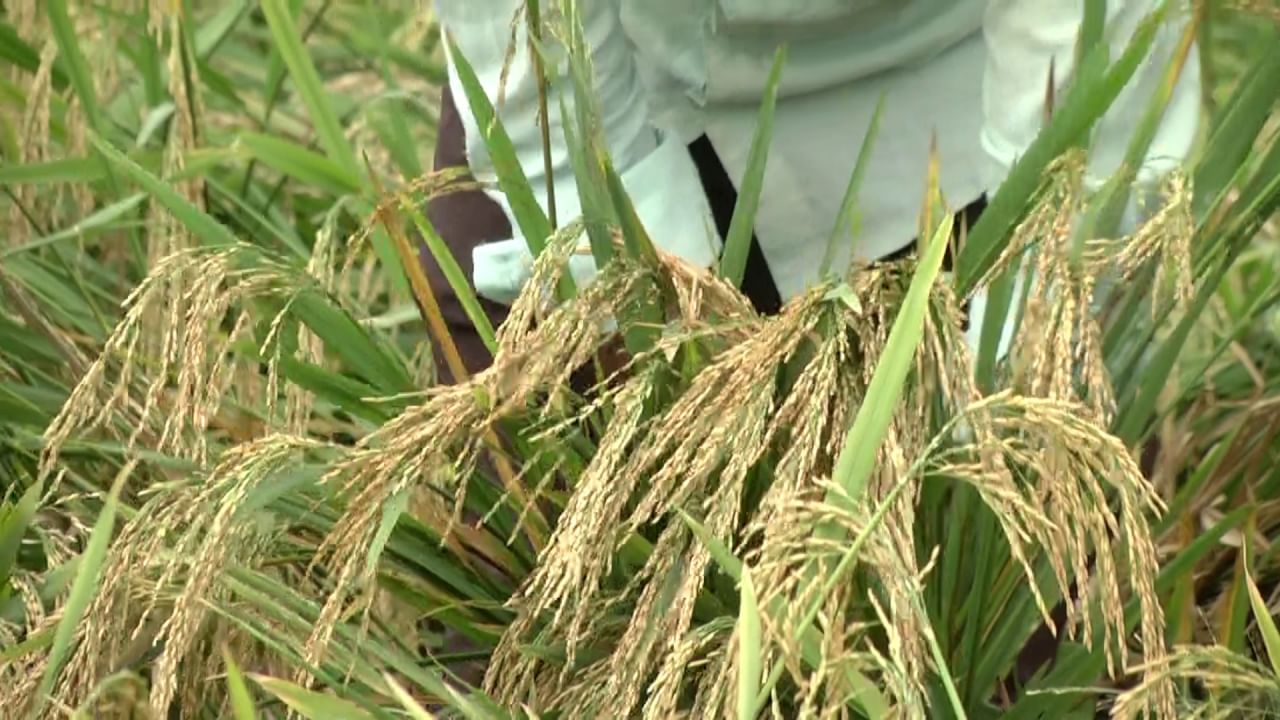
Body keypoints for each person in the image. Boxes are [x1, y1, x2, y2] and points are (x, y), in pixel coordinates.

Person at [421, 0, 1201, 383]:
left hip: (966, 76)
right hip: (583, 70)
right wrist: (638, 267)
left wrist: (1020, 365)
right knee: (529, 587)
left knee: (1017, 635)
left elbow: (1086, 111)